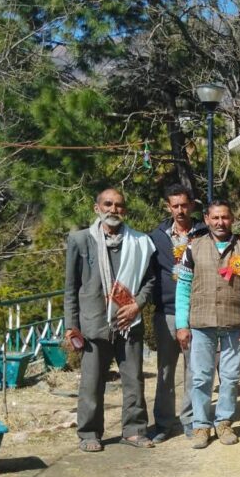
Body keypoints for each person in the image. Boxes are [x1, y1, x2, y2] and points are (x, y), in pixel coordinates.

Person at [64, 188, 155, 452]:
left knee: (133, 380)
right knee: (91, 383)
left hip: (128, 322)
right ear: (97, 208)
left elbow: (150, 281)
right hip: (93, 324)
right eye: (108, 204)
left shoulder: (140, 242)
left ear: (125, 210)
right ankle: (89, 433)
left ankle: (134, 430)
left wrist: (137, 305)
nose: (113, 209)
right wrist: (71, 326)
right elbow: (71, 287)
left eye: (119, 205)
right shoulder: (80, 240)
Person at [175, 200, 240, 449]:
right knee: (201, 377)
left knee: (231, 377)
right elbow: (183, 288)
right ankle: (201, 425)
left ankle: (224, 422)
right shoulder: (193, 248)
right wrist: (182, 324)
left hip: (235, 323)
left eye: (225, 217)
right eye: (215, 218)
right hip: (201, 323)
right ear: (206, 219)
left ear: (232, 219)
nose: (220, 222)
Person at [149, 184, 206, 443]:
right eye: (175, 206)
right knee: (165, 371)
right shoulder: (156, 237)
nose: (180, 210)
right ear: (168, 207)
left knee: (194, 370)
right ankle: (163, 423)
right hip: (167, 312)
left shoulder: (205, 232)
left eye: (184, 205)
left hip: (198, 311)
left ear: (192, 205)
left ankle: (190, 419)